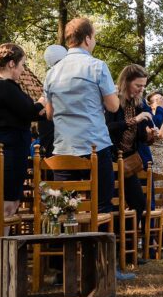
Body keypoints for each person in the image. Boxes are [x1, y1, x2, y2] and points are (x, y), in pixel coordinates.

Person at [0, 43, 47, 284]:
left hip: (8, 148)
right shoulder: (3, 86)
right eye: (22, 64)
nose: (23, 70)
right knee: (4, 207)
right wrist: (44, 98)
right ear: (12, 63)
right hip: (9, 149)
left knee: (4, 205)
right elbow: (30, 111)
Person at [44, 18, 119, 213]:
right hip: (94, 145)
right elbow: (113, 106)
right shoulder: (97, 66)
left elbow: (50, 114)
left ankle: (66, 243)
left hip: (63, 149)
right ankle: (94, 244)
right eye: (93, 37)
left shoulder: (52, 73)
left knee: (63, 208)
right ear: (87, 39)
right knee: (101, 205)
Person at [105, 64, 154, 253]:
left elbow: (140, 136)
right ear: (126, 82)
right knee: (113, 204)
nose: (141, 90)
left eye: (143, 86)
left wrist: (150, 135)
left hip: (129, 162)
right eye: (138, 86)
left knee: (138, 202)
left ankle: (129, 248)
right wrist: (133, 120)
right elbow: (108, 128)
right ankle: (116, 250)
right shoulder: (114, 102)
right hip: (110, 160)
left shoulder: (138, 104)